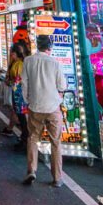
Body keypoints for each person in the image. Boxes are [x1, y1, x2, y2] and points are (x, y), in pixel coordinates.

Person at [21, 34, 67, 187]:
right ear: (49, 47)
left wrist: (28, 100)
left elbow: (24, 84)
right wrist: (58, 98)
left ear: (37, 46)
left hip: (35, 107)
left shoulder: (28, 61)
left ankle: (31, 170)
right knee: (55, 142)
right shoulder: (55, 63)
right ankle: (57, 178)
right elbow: (62, 86)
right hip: (53, 107)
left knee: (33, 138)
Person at [8, 43, 29, 150]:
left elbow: (18, 80)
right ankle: (24, 138)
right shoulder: (16, 63)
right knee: (21, 117)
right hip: (17, 93)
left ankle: (25, 139)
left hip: (19, 94)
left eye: (12, 52)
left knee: (22, 117)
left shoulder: (19, 64)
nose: (10, 54)